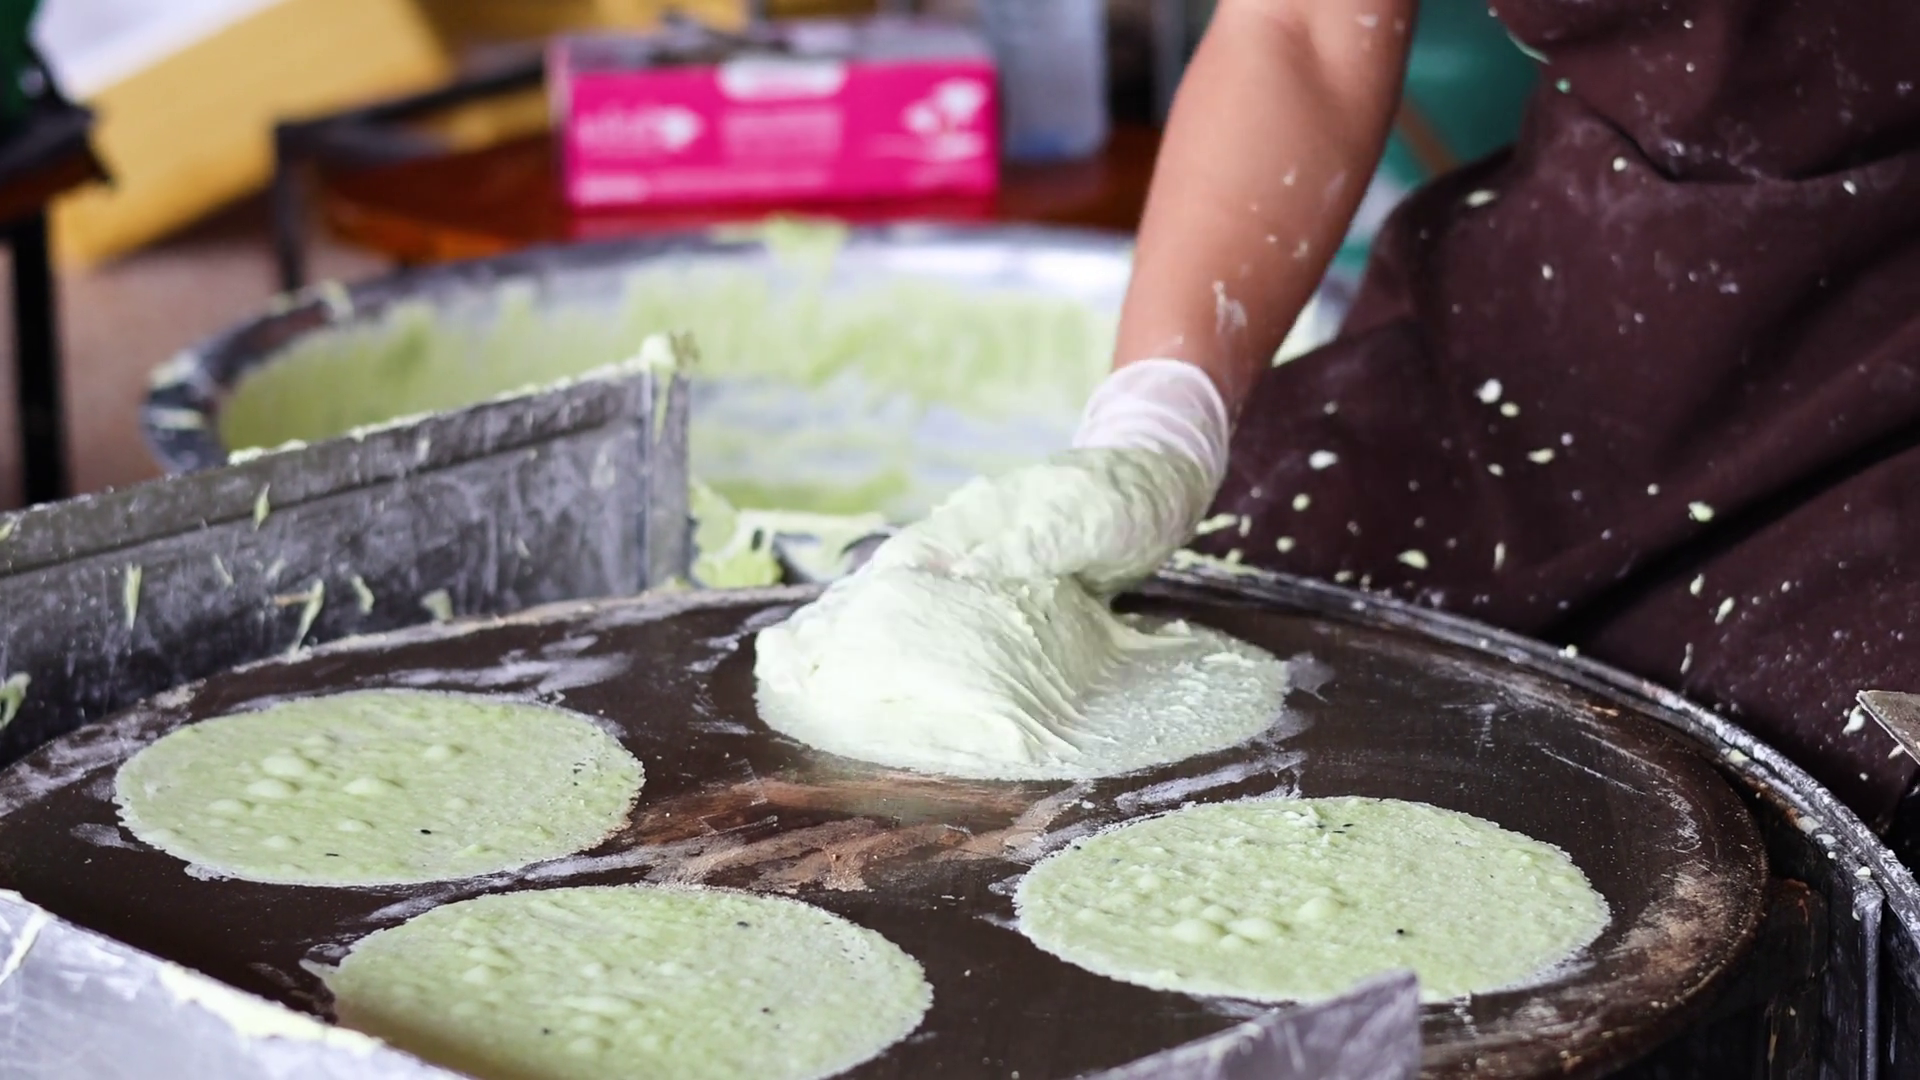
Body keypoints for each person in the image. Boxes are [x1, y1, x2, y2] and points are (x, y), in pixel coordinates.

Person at [1042, 0, 1920, 835]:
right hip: (1570, 277)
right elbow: (1299, 30)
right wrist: (1159, 418)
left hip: (1890, 341)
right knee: (1236, 628)